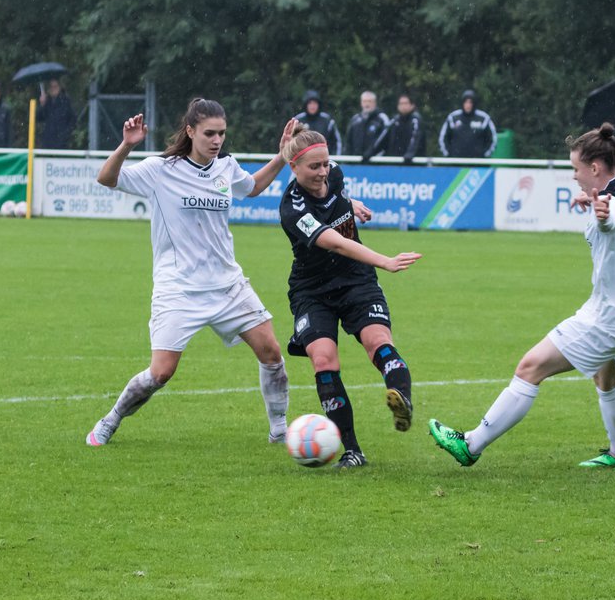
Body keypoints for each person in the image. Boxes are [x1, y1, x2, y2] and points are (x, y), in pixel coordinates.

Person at [429, 123, 615, 469]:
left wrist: (603, 212)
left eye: (576, 170)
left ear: (595, 168)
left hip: (612, 317)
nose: (574, 177)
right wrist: (594, 199)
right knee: (607, 378)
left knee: (530, 367)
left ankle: (472, 444)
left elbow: (612, 217)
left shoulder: (612, 202)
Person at [85, 99, 298, 448]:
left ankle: (279, 431)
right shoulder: (161, 169)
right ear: (190, 131)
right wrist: (126, 145)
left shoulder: (226, 167)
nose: (217, 141)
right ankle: (110, 421)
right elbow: (107, 178)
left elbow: (252, 187)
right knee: (161, 373)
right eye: (209, 133)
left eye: (222, 134)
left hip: (228, 284)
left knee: (272, 352)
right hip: (179, 288)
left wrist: (281, 156)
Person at [278, 126, 422, 467]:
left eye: (326, 164)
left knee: (377, 340)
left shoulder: (334, 173)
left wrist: (349, 203)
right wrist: (385, 261)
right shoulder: (292, 209)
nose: (323, 172)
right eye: (314, 168)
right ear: (294, 168)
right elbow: (338, 243)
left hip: (356, 281)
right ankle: (352, 451)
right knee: (324, 360)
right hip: (312, 289)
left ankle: (402, 397)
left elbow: (334, 194)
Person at [439, 89, 497, 158]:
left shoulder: (483, 118)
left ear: (474, 104)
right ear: (462, 103)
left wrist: (485, 155)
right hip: (456, 164)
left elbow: (493, 139)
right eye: (466, 102)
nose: (468, 105)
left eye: (470, 102)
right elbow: (443, 138)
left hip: (478, 164)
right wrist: (448, 154)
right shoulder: (453, 118)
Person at [373, 93, 426, 163]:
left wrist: (410, 154)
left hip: (413, 165)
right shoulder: (394, 121)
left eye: (405, 103)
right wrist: (371, 152)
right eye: (401, 103)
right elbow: (382, 139)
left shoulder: (416, 120)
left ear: (412, 105)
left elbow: (415, 139)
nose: (403, 106)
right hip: (394, 163)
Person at [344, 91, 391, 161]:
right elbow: (348, 141)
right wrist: (347, 157)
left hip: (376, 162)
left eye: (369, 101)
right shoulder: (355, 119)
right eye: (364, 101)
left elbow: (384, 139)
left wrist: (370, 152)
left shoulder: (382, 118)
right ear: (361, 103)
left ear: (375, 103)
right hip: (356, 161)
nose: (367, 104)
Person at [293, 90, 343, 154]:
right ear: (306, 105)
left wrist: (335, 159)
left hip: (324, 160)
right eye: (310, 103)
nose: (312, 106)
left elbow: (336, 142)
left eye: (315, 103)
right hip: (303, 160)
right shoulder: (298, 120)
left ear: (318, 105)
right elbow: (291, 141)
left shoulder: (327, 120)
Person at [37, 78, 76, 149]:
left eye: (55, 86)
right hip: (48, 142)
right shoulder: (46, 101)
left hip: (62, 143)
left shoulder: (65, 101)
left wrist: (65, 135)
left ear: (59, 87)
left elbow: (73, 120)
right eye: (51, 87)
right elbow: (38, 118)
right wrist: (42, 105)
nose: (53, 89)